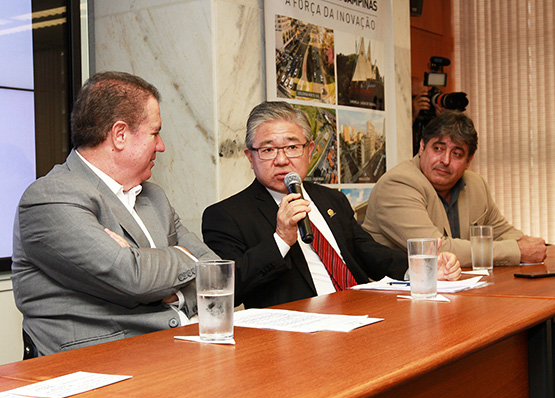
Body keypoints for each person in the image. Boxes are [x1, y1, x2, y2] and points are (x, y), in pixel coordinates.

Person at [11, 71, 219, 357]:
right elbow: (131, 277)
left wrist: (173, 290)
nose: (161, 145)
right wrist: (186, 257)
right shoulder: (51, 197)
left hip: (172, 351)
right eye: (155, 132)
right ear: (120, 135)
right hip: (97, 363)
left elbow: (217, 270)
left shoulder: (153, 196)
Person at [202, 101, 460, 309]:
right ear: (250, 156)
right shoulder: (226, 216)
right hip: (298, 337)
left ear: (310, 150)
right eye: (268, 150)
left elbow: (366, 251)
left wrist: (421, 267)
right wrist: (280, 239)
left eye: (292, 147)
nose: (281, 160)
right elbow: (227, 291)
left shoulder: (330, 199)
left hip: (362, 312)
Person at [363, 110, 546, 267]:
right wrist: (517, 251)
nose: (445, 160)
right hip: (397, 295)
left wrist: (541, 248)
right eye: (438, 148)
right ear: (422, 147)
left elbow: (503, 232)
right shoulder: (397, 184)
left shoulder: (476, 184)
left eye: (457, 154)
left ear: (469, 161)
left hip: (457, 290)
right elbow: (436, 250)